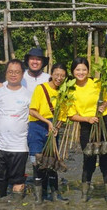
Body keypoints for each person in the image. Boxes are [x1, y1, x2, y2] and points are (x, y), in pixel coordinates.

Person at [68, 57, 107, 203]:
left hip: (104, 123)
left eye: (84, 69)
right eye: (78, 69)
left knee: (106, 159)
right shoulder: (70, 89)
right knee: (88, 159)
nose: (81, 72)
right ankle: (84, 196)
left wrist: (103, 106)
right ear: (72, 71)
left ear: (88, 71)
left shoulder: (97, 83)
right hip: (87, 125)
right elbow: (71, 115)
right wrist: (87, 119)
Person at [0, 59, 32, 201]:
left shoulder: (28, 95)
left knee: (18, 183)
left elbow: (33, 118)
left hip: (19, 146)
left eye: (17, 72)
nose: (13, 75)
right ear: (6, 73)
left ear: (22, 74)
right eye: (10, 72)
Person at [28, 63, 69, 204]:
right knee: (37, 161)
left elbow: (63, 116)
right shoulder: (41, 88)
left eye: (62, 75)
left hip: (53, 127)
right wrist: (48, 122)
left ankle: (55, 195)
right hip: (37, 125)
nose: (59, 78)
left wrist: (57, 125)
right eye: (57, 74)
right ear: (51, 74)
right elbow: (32, 110)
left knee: (52, 161)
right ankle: (39, 197)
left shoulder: (63, 92)